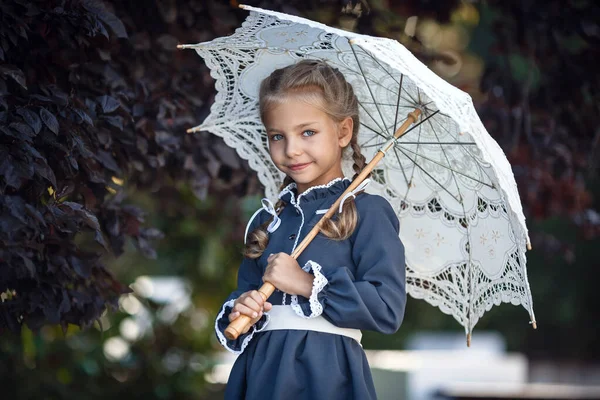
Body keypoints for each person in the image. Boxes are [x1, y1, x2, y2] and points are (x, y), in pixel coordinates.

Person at [214, 59, 406, 400]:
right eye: (277, 136)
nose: (291, 150)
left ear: (343, 132)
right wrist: (243, 307)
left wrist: (304, 283)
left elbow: (386, 309)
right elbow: (245, 295)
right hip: (261, 373)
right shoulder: (266, 222)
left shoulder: (367, 212)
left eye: (308, 132)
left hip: (326, 375)